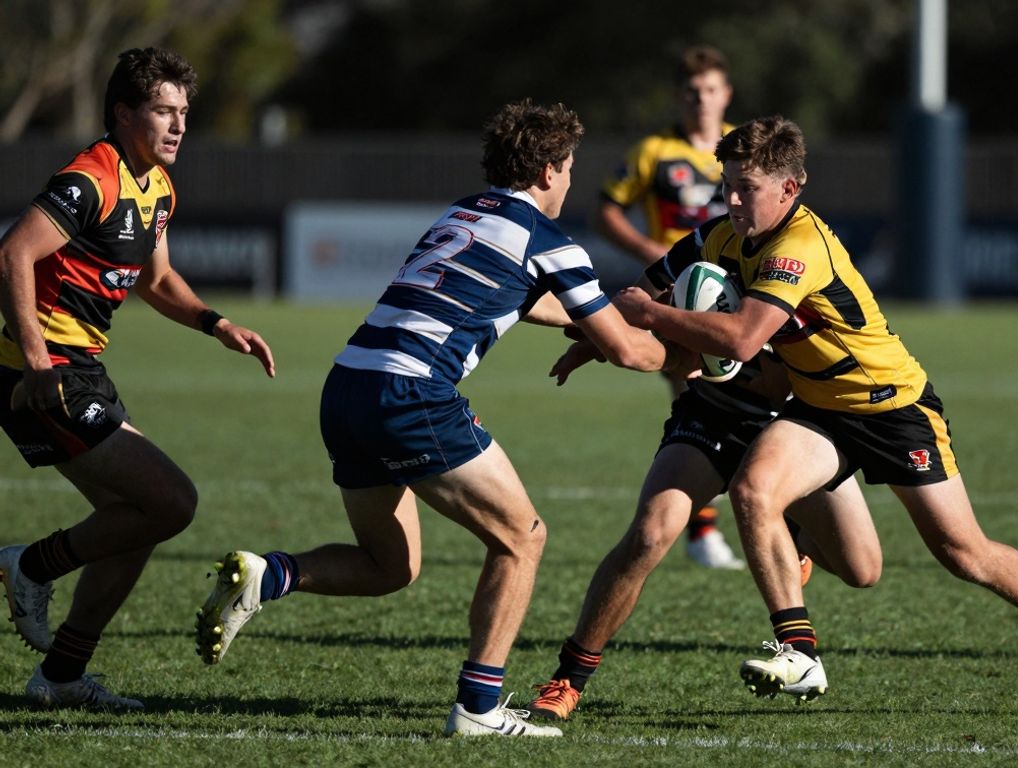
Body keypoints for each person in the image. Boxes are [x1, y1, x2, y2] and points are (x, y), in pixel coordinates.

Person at [612, 116, 1018, 718]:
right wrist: (596, 338)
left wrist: (651, 317)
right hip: (816, 408)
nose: (730, 199)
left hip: (893, 406)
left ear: (791, 187)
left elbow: (743, 338)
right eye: (726, 184)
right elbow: (647, 285)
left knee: (963, 552)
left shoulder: (800, 245)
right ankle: (798, 650)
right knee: (753, 491)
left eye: (745, 187)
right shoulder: (719, 235)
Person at [194, 99, 672, 739]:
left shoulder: (463, 215)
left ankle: (269, 574)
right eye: (569, 167)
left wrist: (602, 321)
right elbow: (630, 351)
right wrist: (689, 347)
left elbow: (528, 305)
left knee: (390, 567)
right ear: (551, 169)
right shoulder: (550, 241)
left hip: (348, 386)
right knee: (521, 538)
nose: (570, 180)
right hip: (410, 392)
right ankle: (478, 709)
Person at [0, 47, 275, 711]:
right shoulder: (90, 178)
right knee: (171, 501)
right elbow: (13, 253)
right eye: (162, 110)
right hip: (40, 371)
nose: (178, 125)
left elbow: (157, 281)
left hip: (82, 368)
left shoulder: (157, 186)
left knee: (141, 517)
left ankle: (61, 676)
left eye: (183, 112)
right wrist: (36, 360)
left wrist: (216, 323)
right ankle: (30, 565)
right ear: (124, 113)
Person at [526, 342, 880, 722]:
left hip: (796, 427)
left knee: (861, 569)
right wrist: (604, 339)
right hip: (712, 417)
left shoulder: (802, 283)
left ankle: (788, 533)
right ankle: (568, 680)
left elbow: (756, 351)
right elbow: (645, 300)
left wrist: (701, 336)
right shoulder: (691, 277)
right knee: (649, 535)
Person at [594, 45, 743, 570]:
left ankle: (767, 520)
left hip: (742, 296)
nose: (701, 99)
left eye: (711, 89)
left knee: (761, 399)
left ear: (725, 94)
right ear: (680, 96)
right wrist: (650, 251)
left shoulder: (743, 147)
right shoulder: (654, 151)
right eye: (692, 91)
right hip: (678, 295)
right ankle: (702, 531)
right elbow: (607, 209)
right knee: (701, 398)